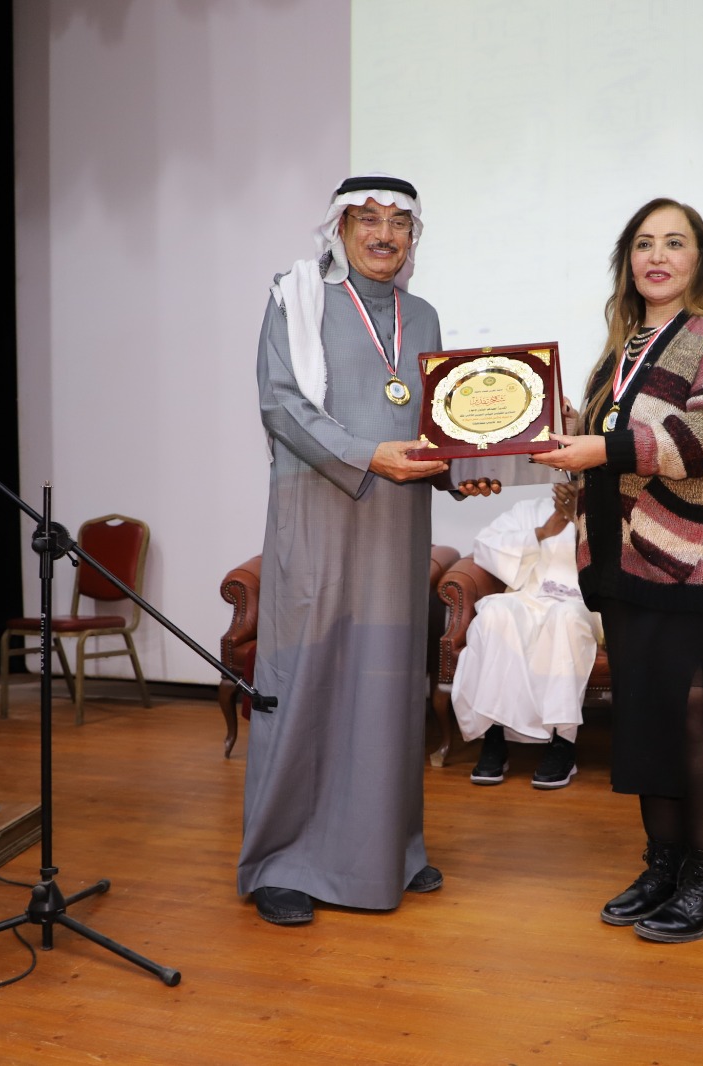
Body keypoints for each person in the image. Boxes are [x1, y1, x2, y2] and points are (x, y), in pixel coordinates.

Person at [240, 174, 493, 926]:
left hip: (397, 526)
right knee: (308, 680)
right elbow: (280, 403)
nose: (385, 235)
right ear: (340, 229)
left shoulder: (424, 315)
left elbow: (435, 426)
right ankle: (283, 862)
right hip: (319, 516)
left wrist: (463, 473)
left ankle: (390, 850)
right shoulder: (296, 297)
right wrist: (366, 456)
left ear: (414, 237)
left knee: (386, 686)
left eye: (399, 223)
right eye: (368, 220)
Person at [535, 197, 703, 944]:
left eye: (675, 242)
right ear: (627, 260)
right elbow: (604, 448)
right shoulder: (619, 352)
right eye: (644, 243)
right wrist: (553, 438)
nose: (658, 256)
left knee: (700, 725)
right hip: (627, 559)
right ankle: (665, 867)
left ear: (700, 258)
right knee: (649, 725)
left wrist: (603, 448)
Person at [455, 480, 601, 790]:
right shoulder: (529, 509)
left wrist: (583, 521)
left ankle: (563, 743)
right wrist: (544, 531)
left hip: (583, 603)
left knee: (564, 618)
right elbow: (485, 547)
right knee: (495, 613)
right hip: (530, 598)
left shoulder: (613, 509)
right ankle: (494, 736)